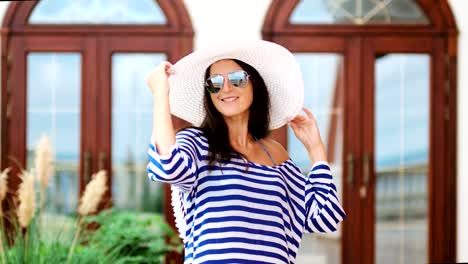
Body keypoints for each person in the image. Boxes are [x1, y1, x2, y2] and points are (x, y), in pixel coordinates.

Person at [146, 40, 345, 264]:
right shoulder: (197, 143)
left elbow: (324, 219)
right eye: (215, 83)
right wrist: (161, 93)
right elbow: (167, 167)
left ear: (255, 85)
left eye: (237, 79)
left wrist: (316, 149)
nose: (226, 89)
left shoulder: (275, 155)